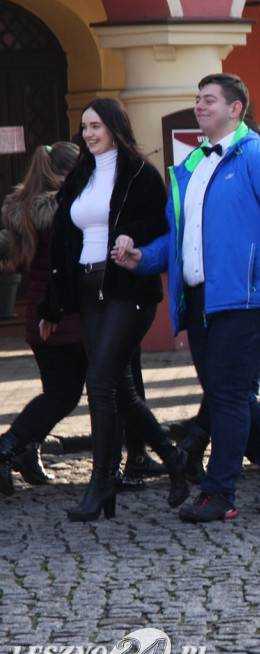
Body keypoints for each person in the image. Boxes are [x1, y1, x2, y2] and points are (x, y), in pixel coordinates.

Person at [112, 73, 260, 521]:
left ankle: (220, 493)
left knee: (227, 393)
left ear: (235, 109)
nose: (200, 106)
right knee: (229, 392)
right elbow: (178, 239)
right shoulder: (190, 166)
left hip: (246, 296)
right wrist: (142, 257)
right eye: (197, 99)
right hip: (201, 297)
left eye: (209, 100)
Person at [38, 99, 191, 520]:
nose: (88, 134)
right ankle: (174, 459)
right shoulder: (80, 174)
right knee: (119, 389)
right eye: (84, 127)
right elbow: (64, 239)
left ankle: (102, 479)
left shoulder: (141, 174)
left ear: (115, 127)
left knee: (100, 379)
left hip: (126, 288)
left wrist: (129, 237)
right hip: (89, 288)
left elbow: (158, 225)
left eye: (96, 126)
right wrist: (52, 304)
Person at [0, 142, 80, 495]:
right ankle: (8, 446)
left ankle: (26, 450)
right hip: (65, 315)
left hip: (37, 313)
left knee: (57, 393)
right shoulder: (66, 210)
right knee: (64, 395)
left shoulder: (22, 210)